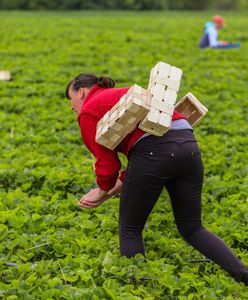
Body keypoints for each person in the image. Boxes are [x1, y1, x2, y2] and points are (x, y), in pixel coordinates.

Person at [65, 73, 248, 285]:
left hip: (152, 153)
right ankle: (243, 274)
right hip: (188, 147)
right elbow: (137, 165)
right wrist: (106, 193)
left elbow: (109, 166)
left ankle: (138, 289)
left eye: (71, 100)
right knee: (192, 228)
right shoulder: (127, 93)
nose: (72, 107)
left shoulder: (89, 110)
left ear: (82, 92)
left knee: (131, 229)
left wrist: (102, 190)